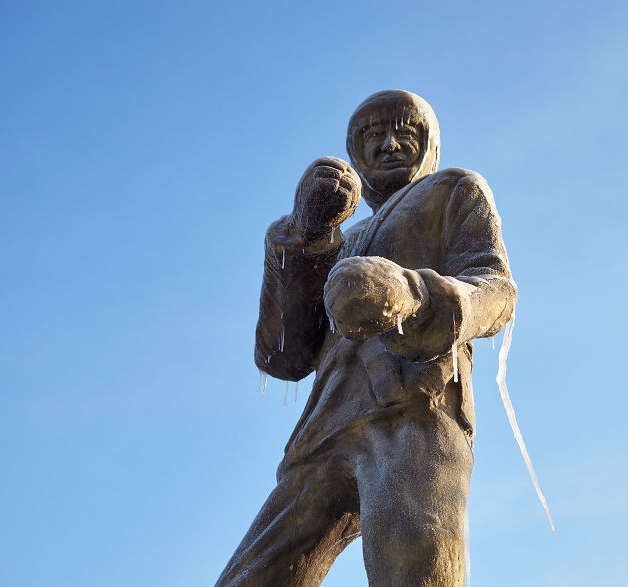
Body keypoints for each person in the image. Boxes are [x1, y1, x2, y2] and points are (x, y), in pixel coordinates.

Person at [217, 90, 516, 587]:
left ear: (432, 146)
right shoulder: (346, 240)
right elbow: (283, 356)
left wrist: (414, 297)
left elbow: (497, 291)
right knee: (252, 576)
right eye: (373, 136)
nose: (390, 144)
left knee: (414, 566)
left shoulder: (453, 190)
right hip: (324, 431)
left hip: (416, 412)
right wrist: (305, 237)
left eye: (406, 133)